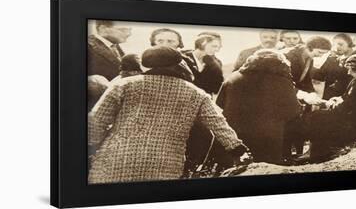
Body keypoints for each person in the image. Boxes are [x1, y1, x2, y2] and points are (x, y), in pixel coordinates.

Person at [88, 46, 252, 184]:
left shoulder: (124, 85)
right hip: (166, 164)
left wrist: (90, 147)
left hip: (115, 158)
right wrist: (239, 151)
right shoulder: (196, 93)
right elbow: (219, 125)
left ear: (145, 65)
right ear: (178, 64)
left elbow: (97, 121)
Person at [296, 54, 356, 163]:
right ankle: (319, 151)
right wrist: (335, 100)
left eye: (349, 69)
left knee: (317, 117)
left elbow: (349, 108)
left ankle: (318, 154)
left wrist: (327, 104)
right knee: (323, 116)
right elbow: (350, 100)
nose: (348, 72)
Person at [216, 49, 301, 165]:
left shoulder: (233, 78)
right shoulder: (282, 81)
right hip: (268, 136)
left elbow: (220, 103)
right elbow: (293, 110)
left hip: (234, 135)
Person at [180, 34, 226, 176]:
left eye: (218, 47)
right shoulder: (183, 58)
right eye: (214, 46)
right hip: (182, 102)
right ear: (203, 43)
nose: (216, 50)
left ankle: (194, 166)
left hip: (202, 103)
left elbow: (216, 86)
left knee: (204, 135)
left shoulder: (215, 62)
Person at [311, 33, 355, 100]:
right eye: (334, 45)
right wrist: (331, 59)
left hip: (347, 95)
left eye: (340, 44)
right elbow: (320, 75)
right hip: (330, 95)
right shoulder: (335, 57)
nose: (337, 47)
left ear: (349, 44)